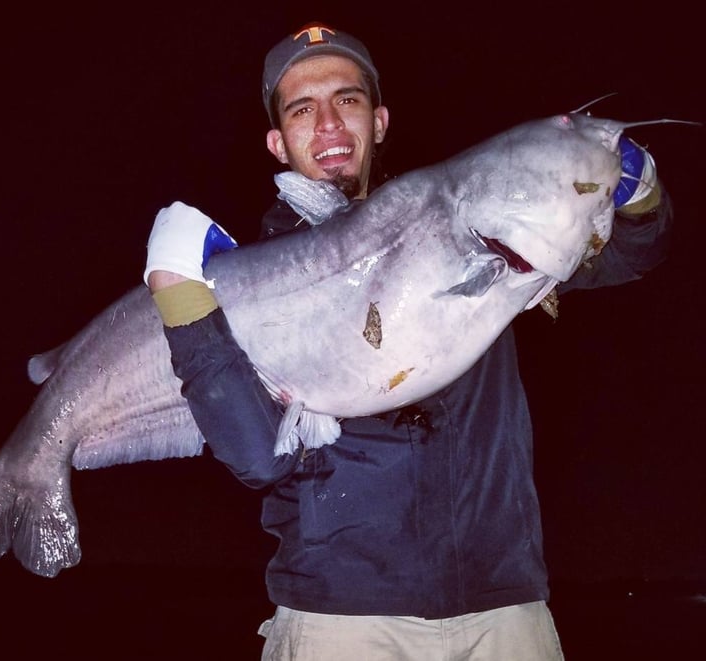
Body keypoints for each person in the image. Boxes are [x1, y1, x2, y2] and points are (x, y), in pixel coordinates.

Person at [143, 23, 672, 660]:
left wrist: (640, 197)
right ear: (278, 143)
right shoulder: (244, 291)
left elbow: (629, 253)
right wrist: (181, 303)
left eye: (348, 100)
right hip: (341, 618)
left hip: (503, 605)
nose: (329, 124)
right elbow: (258, 458)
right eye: (303, 109)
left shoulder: (479, 228)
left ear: (380, 121)